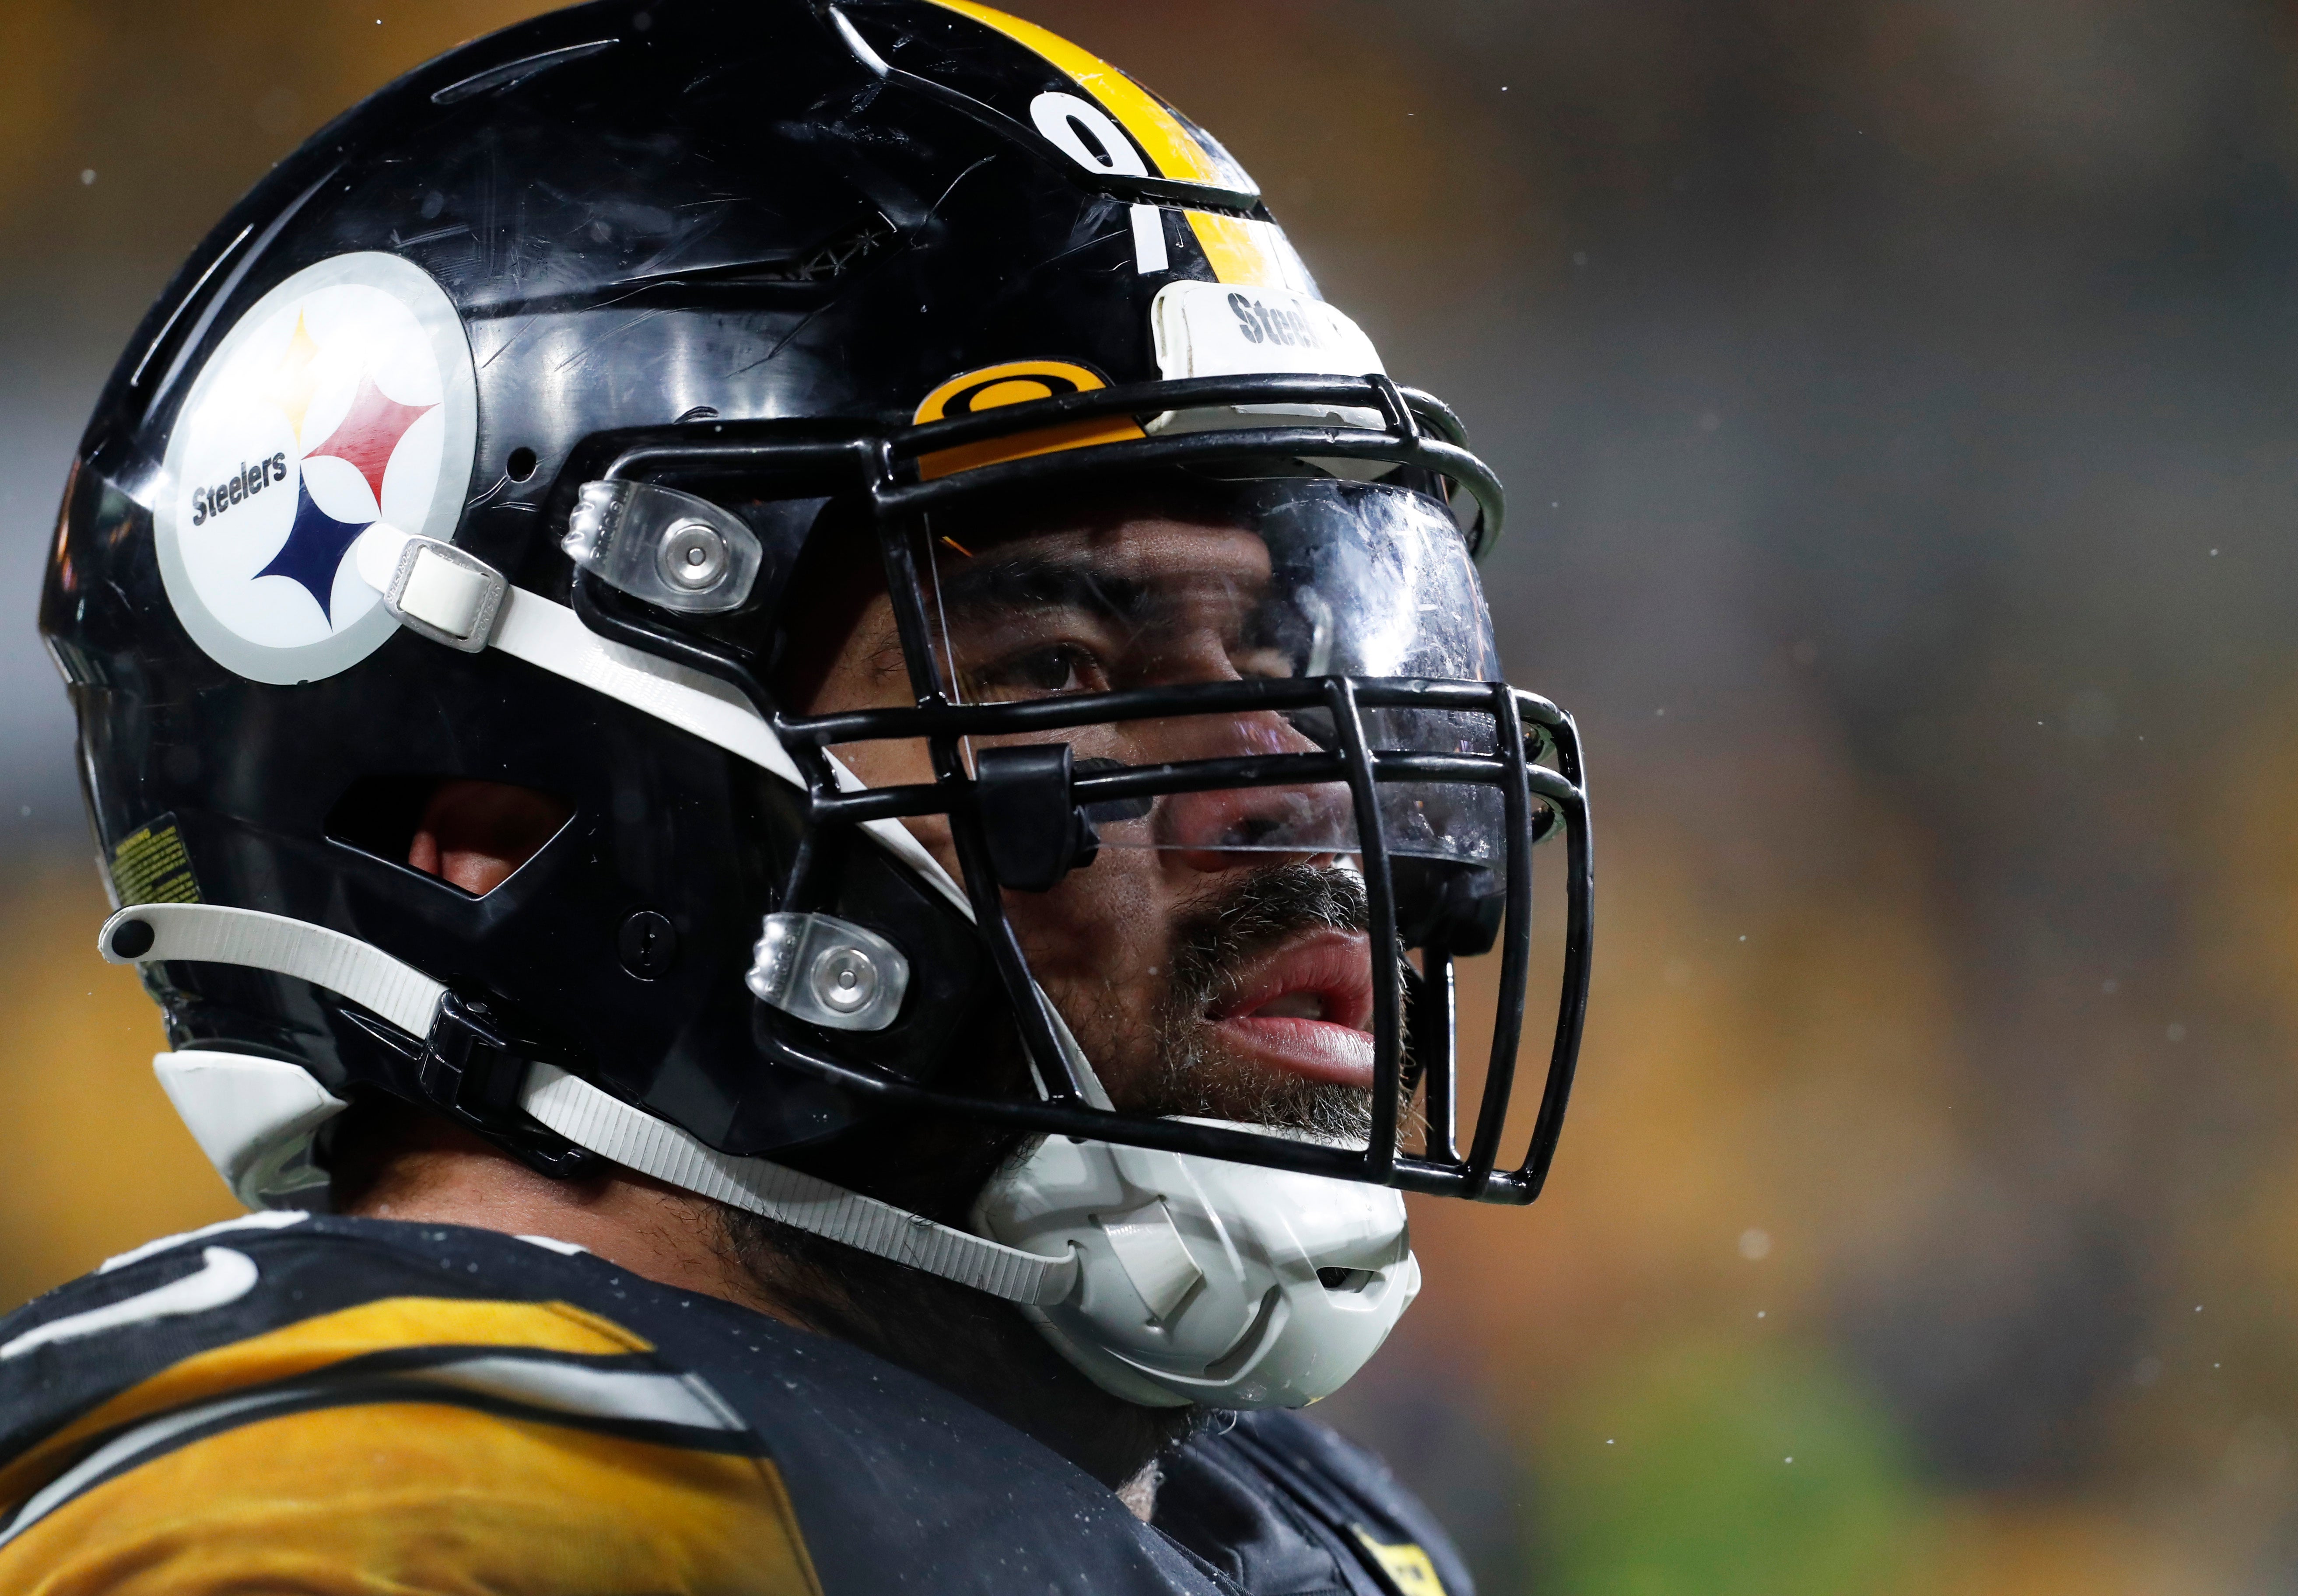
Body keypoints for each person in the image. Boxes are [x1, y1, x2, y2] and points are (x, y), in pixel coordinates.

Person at [9, 1, 1592, 1590]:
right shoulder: (386, 1487)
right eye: (1055, 666)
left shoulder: (1299, 1519)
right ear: (498, 824)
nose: (1296, 785)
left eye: (1279, 653)